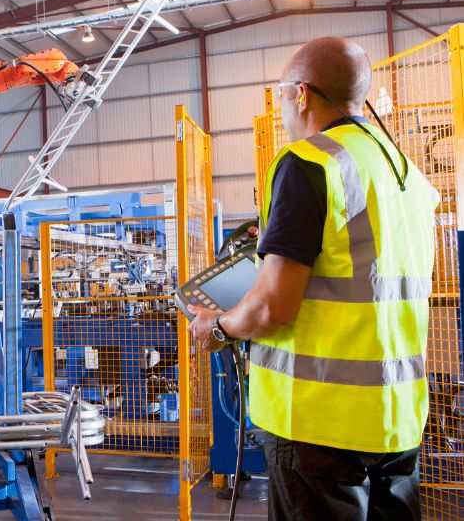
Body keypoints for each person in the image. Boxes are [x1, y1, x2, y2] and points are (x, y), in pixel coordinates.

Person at [187, 36, 438, 521]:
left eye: (282, 93)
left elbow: (272, 307)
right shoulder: (406, 174)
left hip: (318, 425)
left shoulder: (310, 161)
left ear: (301, 93)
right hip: (397, 420)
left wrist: (216, 328)